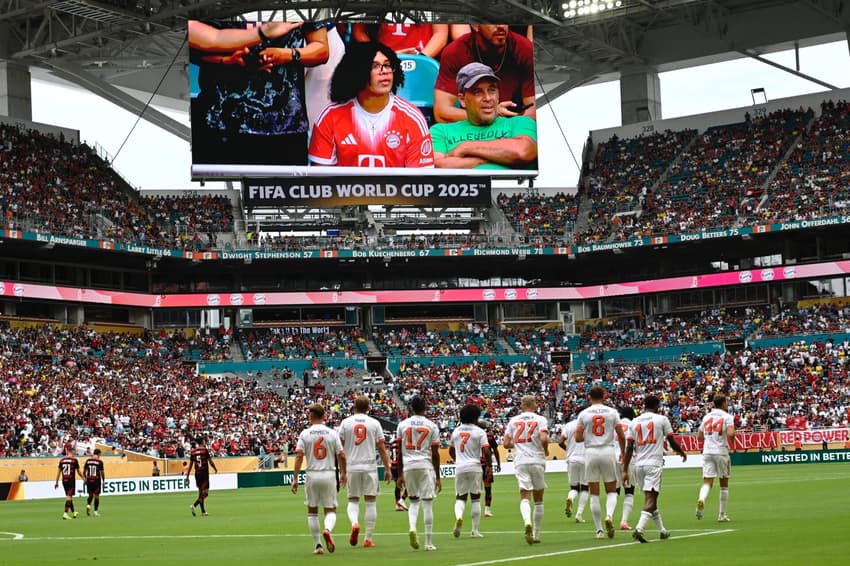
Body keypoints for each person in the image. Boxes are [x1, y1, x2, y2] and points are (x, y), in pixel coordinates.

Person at [189, 20, 329, 166]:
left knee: (282, 188)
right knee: (217, 187)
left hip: (285, 128)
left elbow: (322, 50)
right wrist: (226, 60)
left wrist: (288, 55)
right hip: (219, 123)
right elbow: (194, 47)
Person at [308, 41, 435, 168]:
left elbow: (420, 182)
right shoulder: (330, 116)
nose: (384, 71)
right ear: (357, 72)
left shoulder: (412, 118)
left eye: (387, 65)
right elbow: (321, 180)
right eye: (375, 66)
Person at [429, 62, 537, 170]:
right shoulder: (441, 130)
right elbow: (439, 166)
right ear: (462, 100)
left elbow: (523, 151)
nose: (487, 98)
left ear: (498, 95)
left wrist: (466, 147)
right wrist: (500, 156)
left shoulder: (520, 122)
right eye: (478, 92)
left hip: (510, 186)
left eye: (492, 90)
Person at [434, 24, 535, 123]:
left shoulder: (525, 49)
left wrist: (506, 124)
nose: (501, 26)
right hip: (473, 125)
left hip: (513, 123)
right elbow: (441, 113)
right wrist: (492, 115)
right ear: (475, 25)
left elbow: (534, 110)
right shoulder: (456, 51)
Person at [622, 395, 687, 543]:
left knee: (651, 499)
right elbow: (671, 440)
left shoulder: (634, 422)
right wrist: (681, 452)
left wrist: (625, 470)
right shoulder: (661, 419)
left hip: (638, 465)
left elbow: (629, 448)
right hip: (654, 463)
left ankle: (662, 531)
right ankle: (639, 528)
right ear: (657, 406)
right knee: (651, 498)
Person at [292, 403, 347, 555]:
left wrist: (295, 478)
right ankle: (327, 529)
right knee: (331, 509)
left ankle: (318, 545)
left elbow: (298, 456)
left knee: (312, 511)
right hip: (329, 474)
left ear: (311, 416)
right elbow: (341, 454)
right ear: (324, 416)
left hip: (312, 475)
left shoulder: (305, 434)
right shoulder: (332, 433)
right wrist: (343, 473)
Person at [337, 396, 392, 548]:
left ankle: (355, 523)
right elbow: (381, 447)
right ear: (368, 407)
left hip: (352, 466)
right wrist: (387, 468)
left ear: (354, 407)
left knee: (353, 500)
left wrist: (342, 471)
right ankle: (368, 538)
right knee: (370, 502)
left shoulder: (345, 423)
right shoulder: (374, 423)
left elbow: (339, 449)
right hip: (369, 467)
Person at [575, 385, 626, 540]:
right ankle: (609, 515)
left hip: (590, 452)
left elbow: (577, 438)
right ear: (604, 396)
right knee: (611, 490)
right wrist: (623, 452)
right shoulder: (612, 412)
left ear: (589, 397)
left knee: (594, 493)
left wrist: (590, 436)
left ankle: (599, 530)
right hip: (607, 451)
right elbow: (621, 435)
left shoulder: (583, 414)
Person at [396, 395, 441, 551]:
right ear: (425, 407)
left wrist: (400, 474)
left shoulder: (402, 425)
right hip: (425, 465)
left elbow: (399, 452)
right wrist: (438, 477)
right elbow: (435, 454)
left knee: (414, 502)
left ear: (411, 408)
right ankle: (428, 542)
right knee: (427, 504)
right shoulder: (432, 426)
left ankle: (412, 528)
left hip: (408, 465)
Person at [502, 395, 549, 545]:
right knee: (539, 499)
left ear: (521, 406)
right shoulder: (540, 419)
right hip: (537, 459)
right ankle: (536, 533)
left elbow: (506, 443)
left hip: (521, 460)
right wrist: (546, 450)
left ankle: (527, 521)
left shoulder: (513, 421)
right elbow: (543, 439)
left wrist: (519, 445)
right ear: (535, 405)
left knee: (524, 495)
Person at [449, 404, 490, 539]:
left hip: (460, 467)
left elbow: (450, 450)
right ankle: (474, 530)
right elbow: (486, 451)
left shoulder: (455, 431)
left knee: (460, 498)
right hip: (475, 466)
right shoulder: (479, 432)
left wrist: (457, 460)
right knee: (476, 499)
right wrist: (489, 465)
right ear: (475, 417)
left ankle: (459, 517)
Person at [696, 393, 736, 522]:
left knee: (707, 482)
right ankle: (722, 515)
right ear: (723, 403)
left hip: (707, 451)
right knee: (724, 484)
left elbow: (699, 437)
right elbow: (731, 433)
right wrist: (733, 443)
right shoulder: (727, 417)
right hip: (721, 451)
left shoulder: (706, 417)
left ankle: (701, 499)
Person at [558, 415, 589, 524]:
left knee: (574, 487)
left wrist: (568, 450)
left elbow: (560, 441)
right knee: (585, 488)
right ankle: (579, 514)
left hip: (572, 459)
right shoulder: (588, 424)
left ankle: (570, 497)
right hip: (585, 459)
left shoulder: (569, 425)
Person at [352, 23, 449, 58]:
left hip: (423, 55)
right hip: (384, 57)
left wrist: (420, 58)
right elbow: (359, 31)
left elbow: (440, 34)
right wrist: (379, 55)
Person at [185, 436, 218, 517]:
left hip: (197, 474)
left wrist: (187, 476)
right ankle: (194, 505)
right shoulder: (204, 450)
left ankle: (203, 512)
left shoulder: (193, 452)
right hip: (204, 473)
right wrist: (215, 469)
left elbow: (190, 465)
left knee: (200, 493)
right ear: (202, 441)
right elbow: (210, 462)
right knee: (205, 493)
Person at [616, 406, 637, 530]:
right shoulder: (633, 424)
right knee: (629, 492)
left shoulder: (616, 424)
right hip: (628, 458)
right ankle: (624, 521)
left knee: (613, 491)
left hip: (613, 458)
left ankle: (609, 516)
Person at [55, 446, 83, 520]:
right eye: (75, 452)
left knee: (69, 496)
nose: (75, 453)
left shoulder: (62, 460)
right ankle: (65, 513)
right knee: (69, 497)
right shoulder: (74, 460)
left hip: (64, 480)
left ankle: (74, 512)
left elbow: (58, 472)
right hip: (71, 480)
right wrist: (84, 478)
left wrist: (56, 482)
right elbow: (79, 471)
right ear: (72, 451)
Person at [480, 420, 501, 518]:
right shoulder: (489, 436)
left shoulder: (473, 435)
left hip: (474, 464)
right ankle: (487, 510)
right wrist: (498, 463)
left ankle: (473, 508)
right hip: (487, 464)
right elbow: (495, 450)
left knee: (473, 488)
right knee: (488, 488)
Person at [387, 434, 409, 511]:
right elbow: (401, 455)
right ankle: (401, 500)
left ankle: (397, 505)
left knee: (397, 485)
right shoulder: (402, 442)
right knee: (412, 484)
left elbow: (390, 455)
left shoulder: (392, 443)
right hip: (400, 465)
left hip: (393, 465)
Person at [83, 448, 106, 517]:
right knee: (96, 496)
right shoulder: (99, 462)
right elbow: (102, 472)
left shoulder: (88, 461)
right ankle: (95, 511)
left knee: (90, 494)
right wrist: (103, 480)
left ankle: (88, 505)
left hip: (89, 480)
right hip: (96, 480)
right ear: (98, 454)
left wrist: (85, 478)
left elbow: (84, 471)